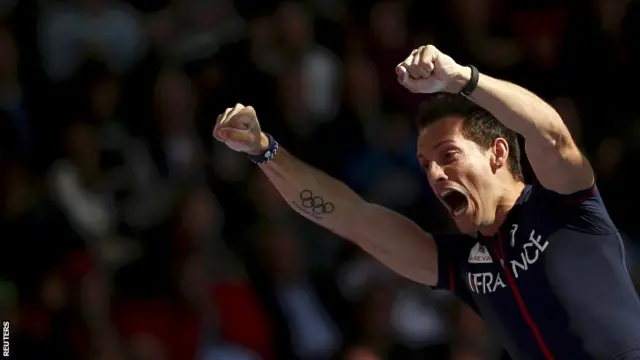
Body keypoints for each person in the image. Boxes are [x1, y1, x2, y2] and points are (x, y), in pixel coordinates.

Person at [212, 45, 640, 360]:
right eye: (425, 165)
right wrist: (265, 150)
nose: (434, 174)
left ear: (497, 153)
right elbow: (350, 216)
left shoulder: (566, 209)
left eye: (448, 156)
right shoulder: (463, 265)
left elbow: (550, 135)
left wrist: (462, 79)